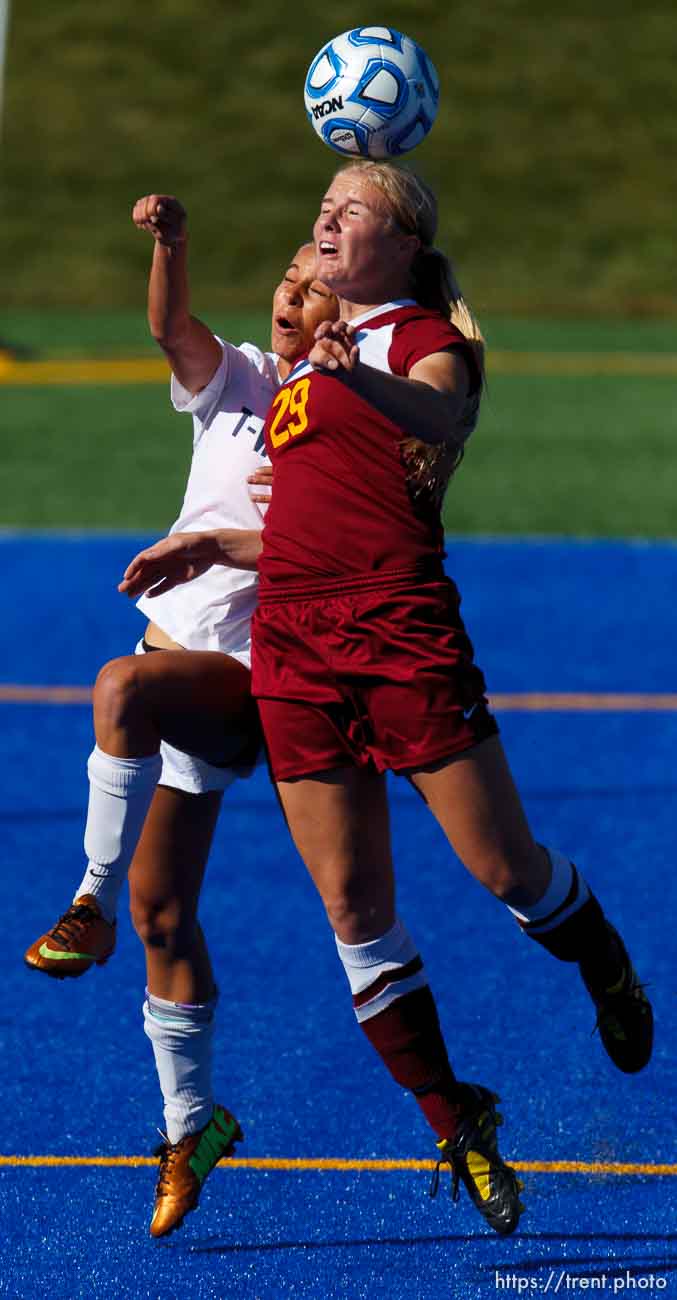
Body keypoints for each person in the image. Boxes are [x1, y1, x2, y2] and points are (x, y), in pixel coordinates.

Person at [119, 162, 653, 1240]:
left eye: (348, 209)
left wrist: (350, 377)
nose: (323, 220)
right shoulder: (301, 358)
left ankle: (599, 955)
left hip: (397, 629)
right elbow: (310, 515)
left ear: (402, 244)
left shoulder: (415, 340)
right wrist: (220, 541)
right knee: (354, 912)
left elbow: (441, 417)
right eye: (320, 207)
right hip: (292, 647)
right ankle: (454, 1117)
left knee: (505, 868)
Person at [24, 194, 339, 1238]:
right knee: (170, 915)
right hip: (175, 665)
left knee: (118, 688)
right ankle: (190, 1130)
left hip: (239, 679)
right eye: (287, 282)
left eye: (314, 288)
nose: (291, 297)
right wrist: (172, 246)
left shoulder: (337, 415)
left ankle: (86, 900)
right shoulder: (238, 379)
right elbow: (170, 327)